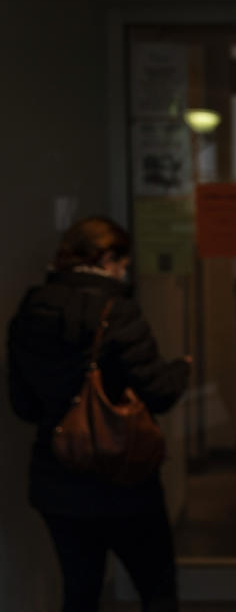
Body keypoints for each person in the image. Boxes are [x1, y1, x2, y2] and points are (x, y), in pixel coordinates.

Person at [7, 216, 191, 612]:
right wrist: (183, 368)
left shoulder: (29, 310)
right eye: (123, 264)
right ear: (107, 257)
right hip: (123, 479)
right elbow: (158, 393)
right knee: (157, 590)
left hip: (56, 478)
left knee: (80, 592)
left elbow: (23, 405)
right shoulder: (118, 312)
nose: (125, 273)